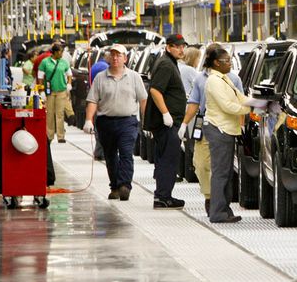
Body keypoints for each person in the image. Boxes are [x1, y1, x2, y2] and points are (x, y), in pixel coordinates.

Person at [178, 43, 245, 216]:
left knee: (222, 168)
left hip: (225, 126)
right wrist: (185, 123)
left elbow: (240, 101)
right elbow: (194, 103)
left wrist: (242, 124)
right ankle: (211, 197)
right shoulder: (200, 79)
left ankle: (216, 202)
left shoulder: (233, 79)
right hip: (205, 123)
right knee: (201, 164)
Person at [83, 44, 148, 201]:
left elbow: (143, 100)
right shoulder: (100, 78)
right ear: (108, 58)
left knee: (126, 153)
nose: (115, 58)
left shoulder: (134, 77)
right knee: (110, 156)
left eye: (119, 55)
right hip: (105, 122)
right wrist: (88, 120)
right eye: (112, 55)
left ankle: (125, 185)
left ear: (125, 58)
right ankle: (115, 186)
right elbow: (92, 100)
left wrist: (147, 122)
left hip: (128, 122)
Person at [199, 47, 251, 223]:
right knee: (220, 172)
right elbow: (227, 105)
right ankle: (217, 213)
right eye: (226, 61)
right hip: (219, 129)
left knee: (226, 172)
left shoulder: (224, 79)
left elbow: (239, 97)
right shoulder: (214, 81)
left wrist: (258, 103)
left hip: (226, 129)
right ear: (216, 63)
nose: (230, 63)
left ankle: (224, 209)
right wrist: (249, 109)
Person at [143, 34, 188, 209]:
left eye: (183, 46)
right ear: (169, 47)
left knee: (166, 158)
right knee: (168, 159)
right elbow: (155, 90)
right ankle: (163, 197)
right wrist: (165, 113)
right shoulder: (165, 65)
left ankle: (163, 195)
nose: (181, 49)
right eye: (178, 46)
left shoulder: (169, 63)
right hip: (166, 123)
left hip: (170, 122)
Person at [37, 43, 72, 143]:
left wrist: (69, 84)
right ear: (55, 52)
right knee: (50, 114)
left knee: (60, 113)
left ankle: (61, 136)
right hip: (50, 92)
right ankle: (49, 136)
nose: (62, 54)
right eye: (61, 51)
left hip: (61, 91)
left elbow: (69, 74)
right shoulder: (45, 62)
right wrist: (42, 90)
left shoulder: (64, 62)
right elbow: (40, 78)